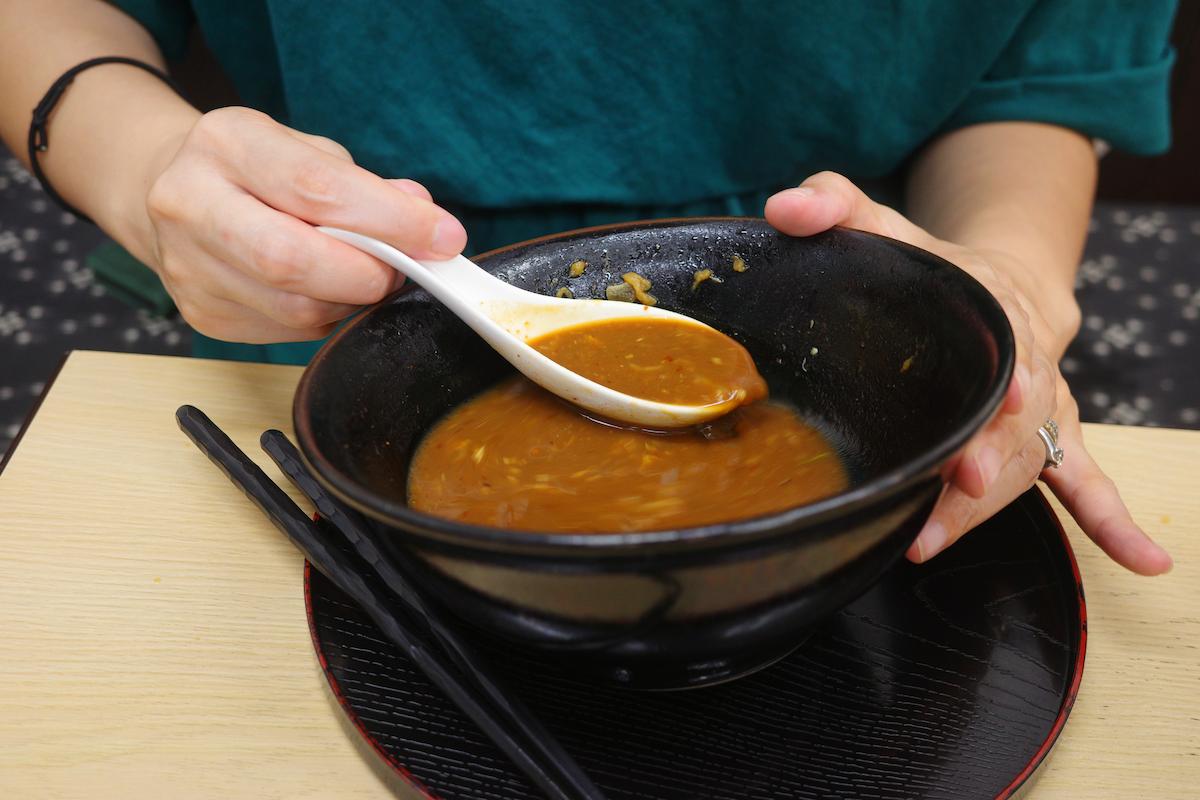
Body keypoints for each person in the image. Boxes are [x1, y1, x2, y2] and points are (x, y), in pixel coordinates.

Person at [0, 0, 1176, 574]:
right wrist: (145, 160)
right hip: (317, 320)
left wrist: (1008, 279)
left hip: (865, 326)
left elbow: (1045, 68)